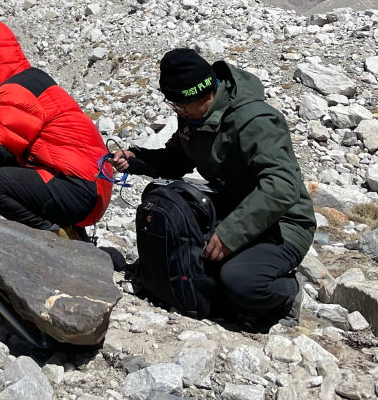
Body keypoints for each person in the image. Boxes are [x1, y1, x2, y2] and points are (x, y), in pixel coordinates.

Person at [111, 47, 316, 327]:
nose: (177, 111)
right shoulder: (195, 115)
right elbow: (177, 158)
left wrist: (230, 235)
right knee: (176, 237)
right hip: (233, 206)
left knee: (239, 282)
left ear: (205, 94)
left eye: (180, 106)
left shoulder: (255, 121)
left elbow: (282, 187)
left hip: (283, 223)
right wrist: (137, 159)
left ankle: (288, 294)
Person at [0, 20, 112, 234]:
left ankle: (51, 234)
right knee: (3, 172)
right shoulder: (25, 80)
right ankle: (66, 230)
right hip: (87, 184)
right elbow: (10, 156)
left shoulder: (16, 90)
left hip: (80, 187)